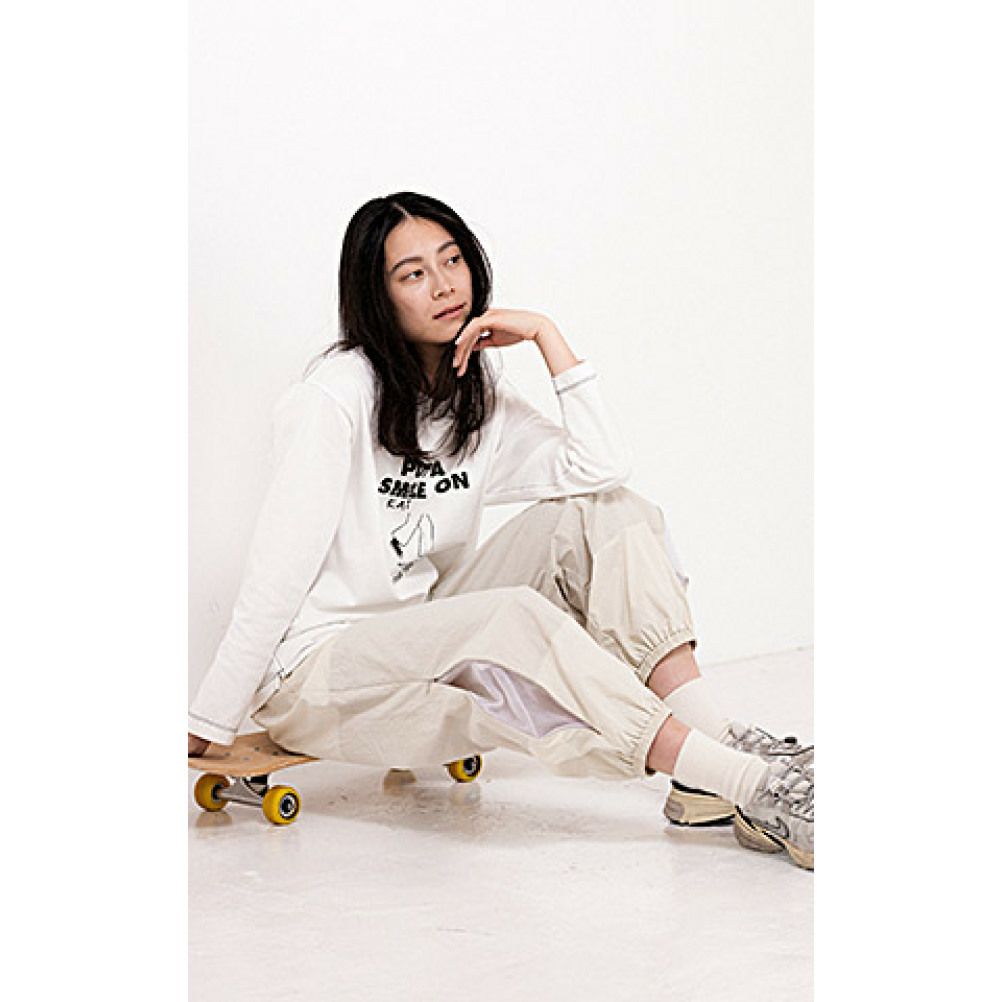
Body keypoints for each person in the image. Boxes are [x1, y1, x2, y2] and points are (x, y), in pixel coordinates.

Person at [187, 192, 814, 870]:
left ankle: (712, 758)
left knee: (607, 512)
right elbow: (275, 577)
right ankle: (754, 784)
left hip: (423, 630)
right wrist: (210, 721)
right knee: (507, 616)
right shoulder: (333, 398)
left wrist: (548, 337)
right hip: (317, 674)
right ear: (377, 296)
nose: (444, 284)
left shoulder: (472, 392)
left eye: (452, 260)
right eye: (413, 274)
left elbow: (599, 468)